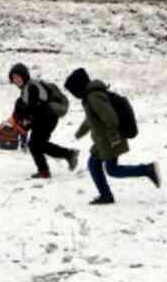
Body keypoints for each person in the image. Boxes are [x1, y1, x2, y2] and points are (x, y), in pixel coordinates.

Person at [63, 68, 160, 205]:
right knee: (109, 168)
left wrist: (114, 138)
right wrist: (79, 133)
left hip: (110, 138)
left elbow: (110, 118)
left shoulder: (93, 97)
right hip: (106, 138)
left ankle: (145, 171)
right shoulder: (91, 96)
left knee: (99, 165)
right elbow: (91, 118)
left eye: (72, 90)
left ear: (78, 87)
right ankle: (146, 171)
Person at [8, 63, 79, 179]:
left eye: (18, 77)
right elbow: (31, 111)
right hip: (44, 118)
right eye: (13, 78)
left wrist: (21, 122)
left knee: (35, 144)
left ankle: (46, 170)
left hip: (47, 118)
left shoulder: (31, 87)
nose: (16, 80)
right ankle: (68, 155)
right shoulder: (26, 89)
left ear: (24, 75)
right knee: (38, 144)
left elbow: (32, 109)